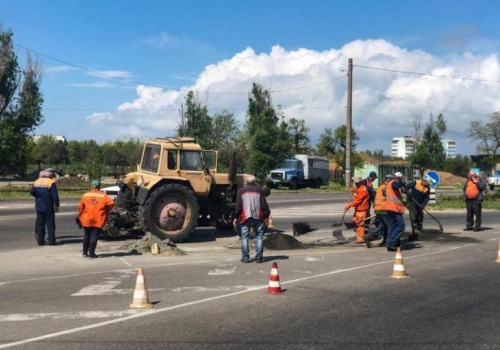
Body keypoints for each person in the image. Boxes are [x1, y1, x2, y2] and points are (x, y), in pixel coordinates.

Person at [233, 175, 271, 263]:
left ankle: (245, 257)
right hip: (258, 216)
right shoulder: (259, 190)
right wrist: (267, 215)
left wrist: (235, 217)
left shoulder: (241, 191)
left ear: (246, 182)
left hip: (245, 217)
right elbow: (264, 204)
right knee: (259, 236)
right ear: (254, 182)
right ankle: (259, 257)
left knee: (244, 237)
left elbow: (238, 206)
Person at [78, 180, 115, 258]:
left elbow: (80, 207)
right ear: (99, 187)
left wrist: (81, 215)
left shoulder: (85, 195)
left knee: (86, 235)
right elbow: (111, 203)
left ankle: (85, 252)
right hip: (98, 218)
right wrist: (107, 210)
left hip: (87, 218)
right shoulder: (103, 196)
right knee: (94, 236)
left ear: (92, 186)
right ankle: (91, 253)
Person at [30, 169, 60, 246]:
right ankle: (51, 241)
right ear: (50, 175)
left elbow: (32, 192)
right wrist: (57, 205)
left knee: (40, 224)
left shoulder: (37, 181)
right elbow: (55, 196)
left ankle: (40, 241)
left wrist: (39, 196)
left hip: (39, 206)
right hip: (48, 206)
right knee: (50, 224)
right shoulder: (51, 182)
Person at [365, 174, 393, 247]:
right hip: (383, 209)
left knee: (383, 226)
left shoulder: (380, 187)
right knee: (390, 226)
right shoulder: (385, 188)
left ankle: (370, 237)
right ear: (388, 181)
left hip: (378, 209)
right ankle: (390, 242)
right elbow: (389, 196)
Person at [385, 172, 407, 251]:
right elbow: (396, 186)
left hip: (391, 208)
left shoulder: (392, 183)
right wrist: (403, 183)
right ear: (399, 178)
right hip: (394, 209)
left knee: (393, 226)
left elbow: (397, 196)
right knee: (401, 225)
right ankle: (391, 242)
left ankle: (390, 242)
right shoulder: (393, 183)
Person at [345, 176, 370, 244]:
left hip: (362, 209)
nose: (355, 184)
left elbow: (358, 200)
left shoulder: (362, 190)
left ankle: (361, 238)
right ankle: (360, 236)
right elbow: (357, 190)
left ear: (359, 182)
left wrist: (349, 205)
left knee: (360, 224)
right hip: (358, 209)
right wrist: (354, 190)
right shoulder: (359, 187)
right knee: (355, 222)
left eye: (356, 183)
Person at [406, 175, 431, 241]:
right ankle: (415, 229)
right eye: (425, 181)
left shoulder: (427, 188)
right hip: (412, 202)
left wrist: (423, 204)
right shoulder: (416, 183)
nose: (425, 183)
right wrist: (408, 194)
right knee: (413, 217)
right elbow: (406, 187)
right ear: (423, 180)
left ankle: (420, 227)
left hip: (420, 204)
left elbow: (427, 197)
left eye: (427, 182)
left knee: (421, 215)